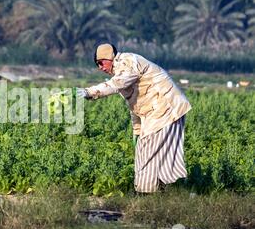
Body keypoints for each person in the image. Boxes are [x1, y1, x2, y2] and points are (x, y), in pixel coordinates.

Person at [77, 43, 192, 193]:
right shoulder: (122, 70)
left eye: (100, 63)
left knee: (145, 154)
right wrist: (137, 131)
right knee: (159, 157)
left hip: (164, 109)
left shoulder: (127, 61)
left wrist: (89, 92)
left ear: (109, 57)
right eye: (97, 65)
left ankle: (145, 194)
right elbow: (136, 105)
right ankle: (165, 193)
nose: (100, 67)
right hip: (168, 110)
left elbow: (116, 84)